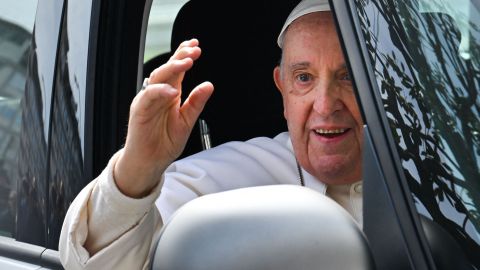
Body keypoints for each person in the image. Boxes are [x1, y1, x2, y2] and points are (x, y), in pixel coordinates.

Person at [59, 0, 364, 269]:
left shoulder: (412, 162)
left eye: (347, 76)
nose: (325, 105)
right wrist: (138, 167)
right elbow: (96, 262)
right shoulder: (224, 180)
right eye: (304, 78)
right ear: (282, 88)